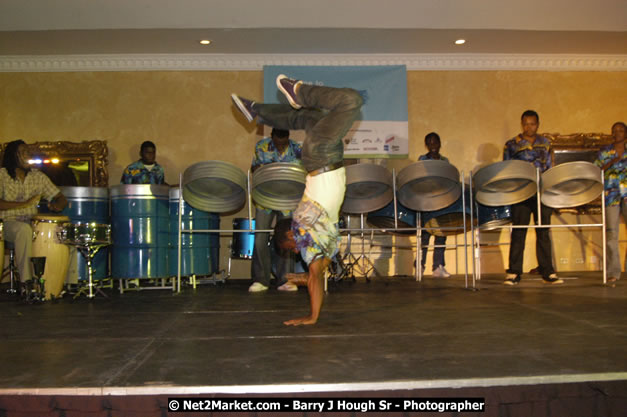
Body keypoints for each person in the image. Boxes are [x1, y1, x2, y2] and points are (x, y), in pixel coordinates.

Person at [232, 74, 363, 325]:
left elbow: (314, 276)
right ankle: (256, 111)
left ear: (292, 237)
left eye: (291, 249)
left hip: (321, 157)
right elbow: (317, 274)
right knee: (308, 117)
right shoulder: (314, 241)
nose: (297, 254)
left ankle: (298, 92)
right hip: (327, 158)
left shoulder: (305, 235)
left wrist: (312, 316)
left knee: (351, 101)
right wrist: (297, 278)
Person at [502, 110, 562, 285]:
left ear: (538, 124)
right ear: (522, 124)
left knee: (543, 231)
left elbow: (550, 167)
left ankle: (547, 271)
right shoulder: (512, 144)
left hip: (541, 192)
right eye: (526, 124)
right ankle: (514, 272)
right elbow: (507, 169)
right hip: (521, 191)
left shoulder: (545, 143)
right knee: (519, 231)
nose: (529, 127)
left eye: (533, 123)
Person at [0, 140, 68, 289]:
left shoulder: (38, 177)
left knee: (60, 233)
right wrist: (25, 204)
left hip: (32, 223)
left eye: (29, 152)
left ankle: (54, 283)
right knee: (23, 230)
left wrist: (57, 205)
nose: (28, 155)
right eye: (23, 152)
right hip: (7, 225)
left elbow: (60, 198)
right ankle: (26, 282)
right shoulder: (2, 175)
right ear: (13, 156)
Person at [249, 128, 303, 293]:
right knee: (260, 238)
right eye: (277, 143)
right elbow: (254, 169)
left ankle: (285, 280)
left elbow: (302, 172)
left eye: (284, 143)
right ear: (271, 137)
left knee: (287, 238)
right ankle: (261, 280)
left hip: (287, 198)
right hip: (265, 197)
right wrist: (268, 168)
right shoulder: (262, 146)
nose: (280, 146)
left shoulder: (297, 149)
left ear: (288, 138)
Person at [595, 121, 627, 283]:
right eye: (615, 130)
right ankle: (614, 271)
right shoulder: (605, 152)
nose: (617, 133)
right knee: (611, 234)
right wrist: (610, 163)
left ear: (626, 133)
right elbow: (595, 170)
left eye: (621, 130)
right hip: (611, 196)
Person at [418, 132, 451, 278]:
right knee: (425, 236)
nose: (433, 146)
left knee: (441, 235)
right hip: (427, 202)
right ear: (426, 145)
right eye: (429, 143)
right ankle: (419, 266)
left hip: (442, 201)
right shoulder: (422, 159)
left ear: (439, 144)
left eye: (435, 142)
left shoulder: (445, 161)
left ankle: (438, 267)